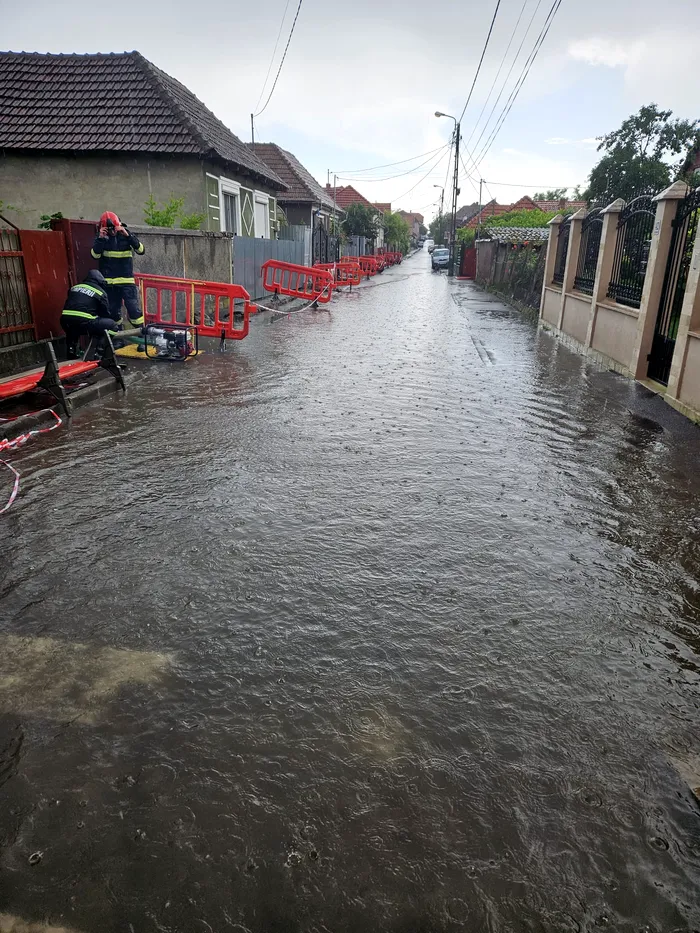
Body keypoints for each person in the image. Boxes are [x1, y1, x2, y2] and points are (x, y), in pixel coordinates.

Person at [90, 211, 145, 329]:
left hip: (127, 282)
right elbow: (95, 255)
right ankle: (118, 333)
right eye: (109, 229)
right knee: (113, 312)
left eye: (114, 228)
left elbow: (141, 250)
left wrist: (128, 236)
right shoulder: (101, 238)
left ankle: (142, 333)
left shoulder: (126, 235)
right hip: (109, 284)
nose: (112, 231)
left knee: (134, 309)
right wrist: (100, 239)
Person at [60, 270, 119, 358]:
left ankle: (71, 350)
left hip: (65, 321)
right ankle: (99, 352)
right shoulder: (100, 292)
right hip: (84, 322)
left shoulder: (74, 287)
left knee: (73, 328)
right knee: (112, 325)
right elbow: (105, 313)